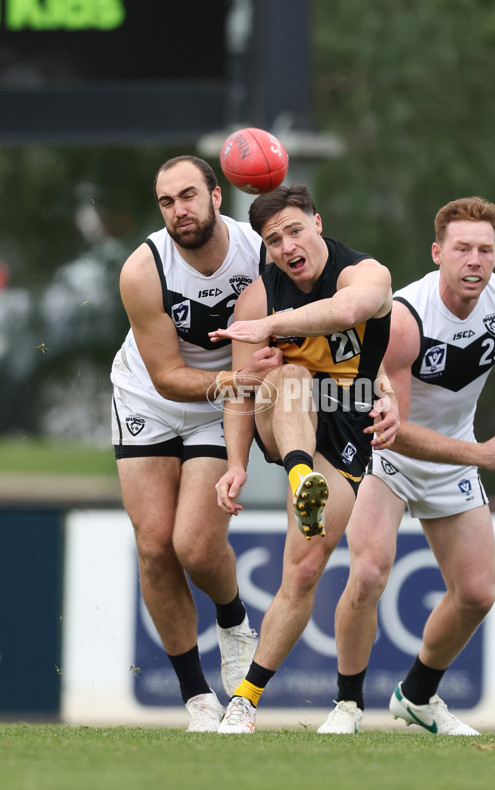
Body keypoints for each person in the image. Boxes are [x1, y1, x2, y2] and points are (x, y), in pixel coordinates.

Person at [317, 195, 495, 736]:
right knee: (370, 571)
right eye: (463, 249)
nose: (475, 260)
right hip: (388, 454)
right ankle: (348, 706)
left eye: (486, 250)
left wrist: (469, 454)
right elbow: (394, 432)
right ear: (437, 253)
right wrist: (479, 454)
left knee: (477, 594)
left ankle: (418, 697)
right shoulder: (404, 317)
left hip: (454, 455)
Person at [207, 183, 398, 733]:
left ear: (318, 223)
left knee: (305, 570)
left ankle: (244, 697)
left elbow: (345, 311)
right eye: (272, 240)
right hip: (285, 420)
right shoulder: (258, 297)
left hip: (348, 430)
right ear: (265, 251)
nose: (287, 246)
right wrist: (236, 465)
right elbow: (241, 390)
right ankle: (299, 477)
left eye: (294, 230)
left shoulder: (365, 274)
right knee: (287, 376)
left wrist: (273, 326)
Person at [110, 155, 282, 732]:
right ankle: (197, 699)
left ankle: (233, 621)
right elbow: (164, 375)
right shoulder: (144, 269)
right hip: (150, 398)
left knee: (196, 547)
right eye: (166, 202)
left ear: (216, 195)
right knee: (155, 545)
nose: (179, 211)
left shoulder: (259, 252)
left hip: (220, 403)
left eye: (188, 196)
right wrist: (236, 381)